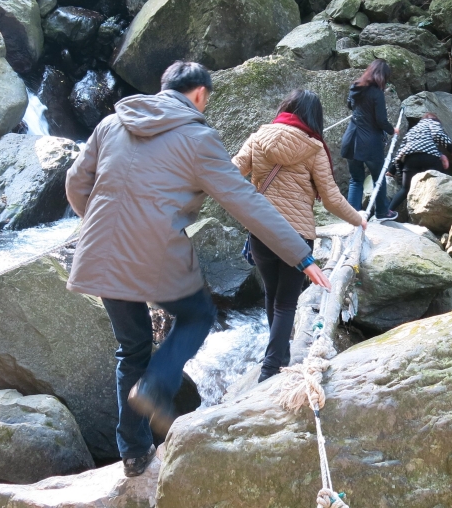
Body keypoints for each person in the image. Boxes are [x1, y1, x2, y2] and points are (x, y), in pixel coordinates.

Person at [64, 61, 331, 478]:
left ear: (162, 87)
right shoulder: (198, 138)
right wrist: (302, 255)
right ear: (200, 95)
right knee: (198, 315)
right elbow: (247, 202)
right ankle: (154, 388)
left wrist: (97, 224)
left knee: (131, 349)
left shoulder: (110, 124)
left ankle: (133, 454)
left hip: (99, 249)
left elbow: (76, 183)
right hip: (155, 253)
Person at [233, 90, 366, 382]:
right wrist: (359, 219)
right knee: (286, 303)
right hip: (296, 236)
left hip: (261, 229)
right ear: (313, 119)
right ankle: (271, 370)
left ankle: (276, 354)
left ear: (287, 107)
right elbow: (330, 198)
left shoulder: (259, 136)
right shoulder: (314, 148)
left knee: (271, 293)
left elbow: (231, 172)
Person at [341, 59, 397, 219]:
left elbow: (350, 106)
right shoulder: (376, 93)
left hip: (351, 141)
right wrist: (393, 130)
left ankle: (352, 217)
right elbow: (381, 120)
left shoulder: (355, 87)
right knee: (378, 178)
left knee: (356, 179)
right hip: (370, 144)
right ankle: (382, 212)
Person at [387, 114, 452, 211]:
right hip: (430, 159)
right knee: (441, 183)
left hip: (411, 159)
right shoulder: (432, 122)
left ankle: (388, 211)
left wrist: (391, 170)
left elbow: (401, 150)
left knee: (405, 189)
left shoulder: (412, 131)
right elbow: (438, 134)